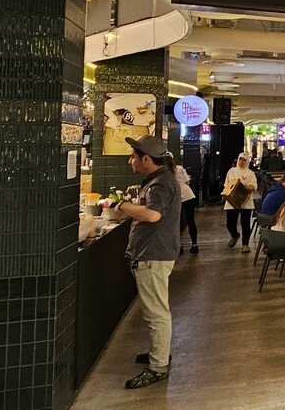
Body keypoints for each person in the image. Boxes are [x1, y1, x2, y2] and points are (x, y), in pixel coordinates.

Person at [117, 136, 180, 389]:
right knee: (156, 310)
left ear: (146, 159)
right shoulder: (161, 180)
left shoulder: (160, 183)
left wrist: (125, 206)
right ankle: (159, 352)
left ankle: (158, 366)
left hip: (154, 254)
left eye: (133, 156)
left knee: (156, 313)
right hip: (155, 252)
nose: (130, 160)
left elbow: (153, 215)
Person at [223, 152, 257, 253]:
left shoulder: (250, 173)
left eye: (244, 160)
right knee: (230, 223)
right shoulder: (231, 171)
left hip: (246, 202)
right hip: (232, 201)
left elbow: (253, 187)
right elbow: (227, 185)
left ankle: (245, 244)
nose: (242, 161)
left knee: (245, 223)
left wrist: (244, 187)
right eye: (240, 159)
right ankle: (235, 235)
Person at [169, 153, 198, 254]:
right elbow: (187, 182)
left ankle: (179, 246)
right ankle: (194, 245)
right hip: (188, 195)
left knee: (177, 222)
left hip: (176, 199)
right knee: (191, 221)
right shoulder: (179, 168)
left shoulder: (164, 172)